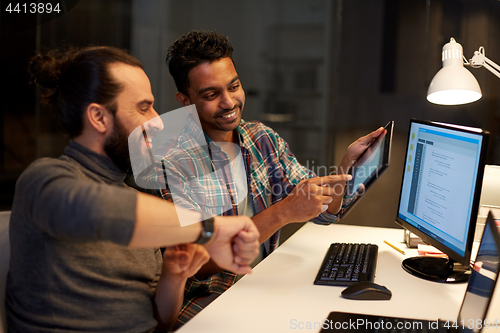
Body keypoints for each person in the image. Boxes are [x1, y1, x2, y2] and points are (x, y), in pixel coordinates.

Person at [5, 46, 260, 333]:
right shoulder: (43, 180)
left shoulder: (138, 203)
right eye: (143, 108)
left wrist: (174, 276)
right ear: (99, 118)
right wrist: (211, 230)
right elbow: (102, 210)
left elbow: (159, 321)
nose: (159, 120)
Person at [141, 30, 384, 329]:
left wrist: (348, 166)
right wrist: (283, 212)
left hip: (265, 283)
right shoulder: (170, 165)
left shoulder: (261, 138)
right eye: (211, 94)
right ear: (185, 101)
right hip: (208, 305)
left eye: (234, 86)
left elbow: (324, 211)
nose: (229, 102)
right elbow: (198, 264)